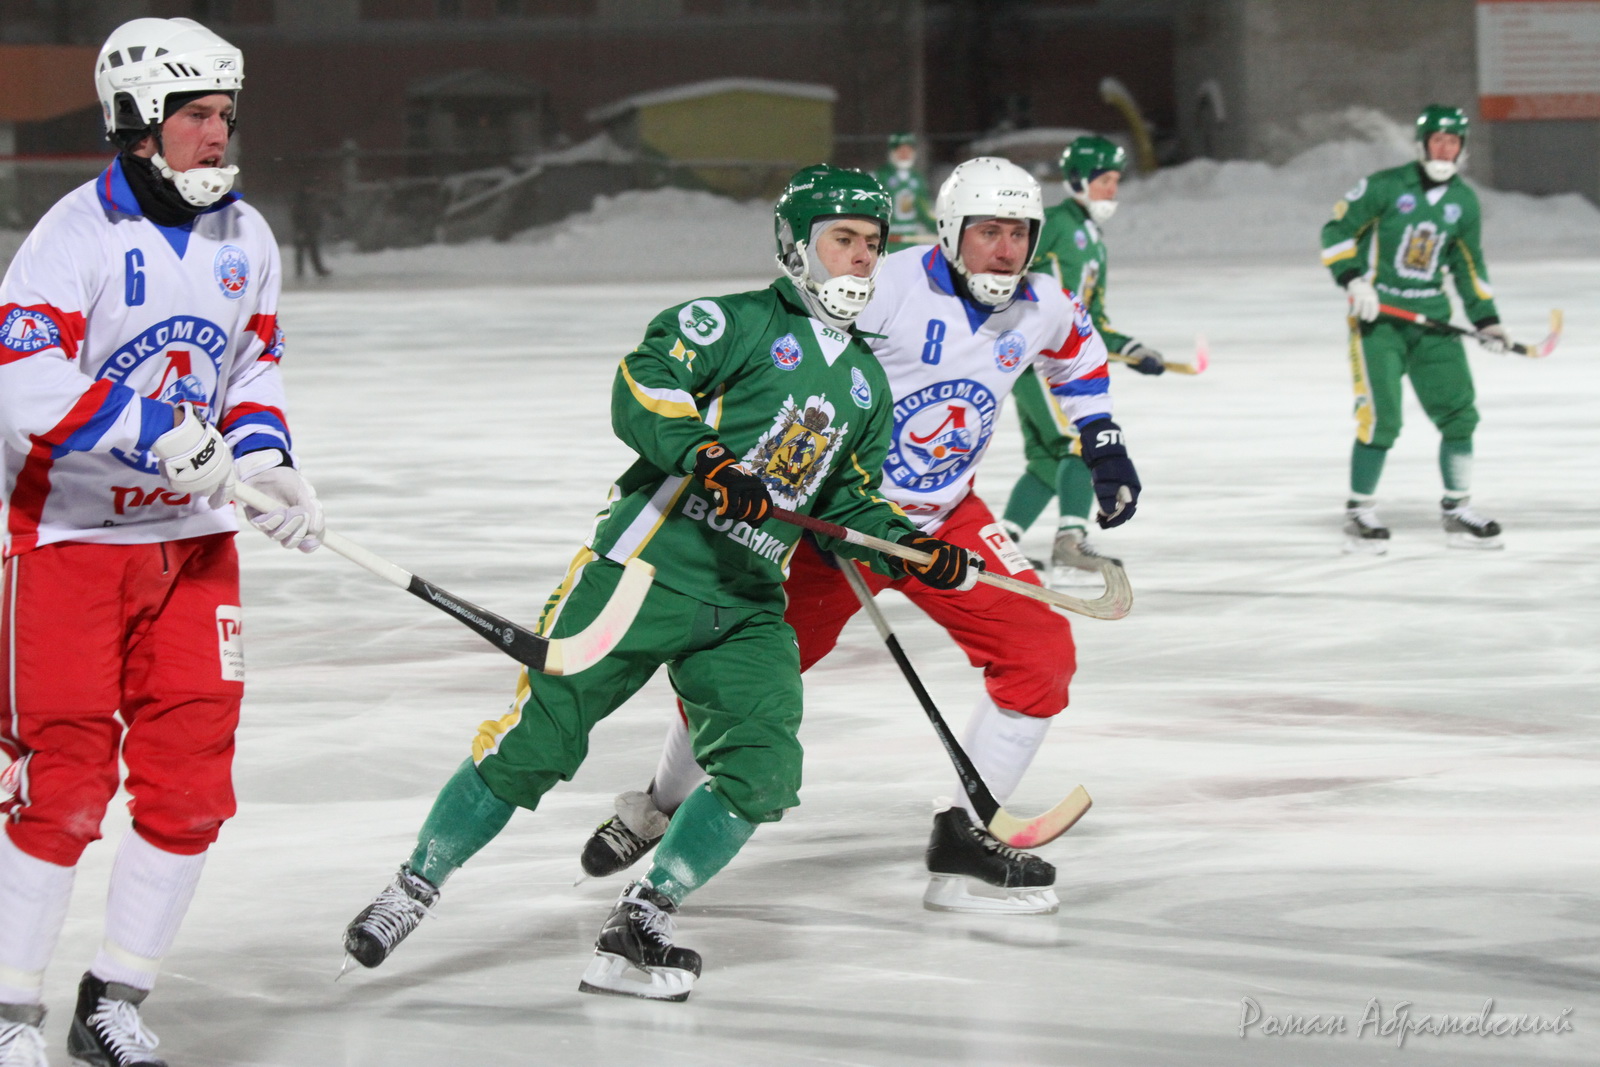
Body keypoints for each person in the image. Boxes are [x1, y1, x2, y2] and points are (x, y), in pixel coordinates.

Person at [339, 165, 980, 1002]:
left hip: (746, 601)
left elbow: (846, 500)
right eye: (842, 240)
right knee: (539, 740)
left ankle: (641, 919)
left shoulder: (867, 381)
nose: (861, 258)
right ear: (797, 247)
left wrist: (912, 547)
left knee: (763, 768)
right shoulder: (738, 323)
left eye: (872, 244)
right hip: (645, 572)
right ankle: (412, 887)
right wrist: (709, 457)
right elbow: (645, 379)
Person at [579, 157, 1141, 917]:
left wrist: (1103, 441)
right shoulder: (887, 286)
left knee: (1040, 657)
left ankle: (964, 838)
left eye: (1019, 233)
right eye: (988, 232)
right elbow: (799, 356)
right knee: (744, 674)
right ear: (951, 231)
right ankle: (661, 803)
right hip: (837, 520)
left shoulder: (1042, 302)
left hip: (945, 520)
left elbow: (1078, 353)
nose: (1005, 251)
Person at [0, 17, 325, 1067]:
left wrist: (267, 461)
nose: (218, 133)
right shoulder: (71, 238)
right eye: (196, 115)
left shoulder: (247, 237)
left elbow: (252, 369)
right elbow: (22, 386)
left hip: (193, 544)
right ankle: (7, 1010)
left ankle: (115, 996)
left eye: (226, 114)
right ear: (137, 121)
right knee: (63, 779)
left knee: (191, 781)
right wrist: (154, 431)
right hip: (70, 540)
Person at [1320, 104, 1506, 553]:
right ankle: (1360, 509)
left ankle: (1457, 508)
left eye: (1453, 141)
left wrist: (1486, 319)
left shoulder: (1463, 202)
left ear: (1462, 148)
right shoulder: (1385, 186)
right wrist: (1354, 280)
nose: (1445, 149)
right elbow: (1337, 231)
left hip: (1432, 321)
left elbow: (1469, 265)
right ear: (1423, 145)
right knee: (1382, 418)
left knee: (1459, 415)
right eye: (1437, 140)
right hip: (1379, 320)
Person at [1001, 135, 1166, 585]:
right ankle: (1070, 543)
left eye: (1115, 180)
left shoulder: (1095, 242)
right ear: (1077, 179)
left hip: (1049, 358)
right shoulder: (1053, 223)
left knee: (1045, 460)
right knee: (1078, 441)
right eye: (1104, 180)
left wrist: (1133, 349)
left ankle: (1003, 543)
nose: (1112, 189)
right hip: (1039, 357)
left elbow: (1091, 319)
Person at [872, 132, 936, 253]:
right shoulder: (881, 176)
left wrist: (940, 229)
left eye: (908, 150)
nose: (904, 154)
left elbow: (924, 211)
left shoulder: (917, 179)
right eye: (900, 150)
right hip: (887, 242)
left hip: (909, 241)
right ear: (892, 152)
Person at [290, 180, 331, 280]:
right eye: (308, 188)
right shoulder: (299, 201)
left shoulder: (313, 200)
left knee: (314, 251)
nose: (310, 190)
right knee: (301, 252)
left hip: (312, 229)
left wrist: (319, 225)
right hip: (302, 230)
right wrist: (299, 229)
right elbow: (296, 217)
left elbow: (317, 214)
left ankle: (319, 270)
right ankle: (300, 271)